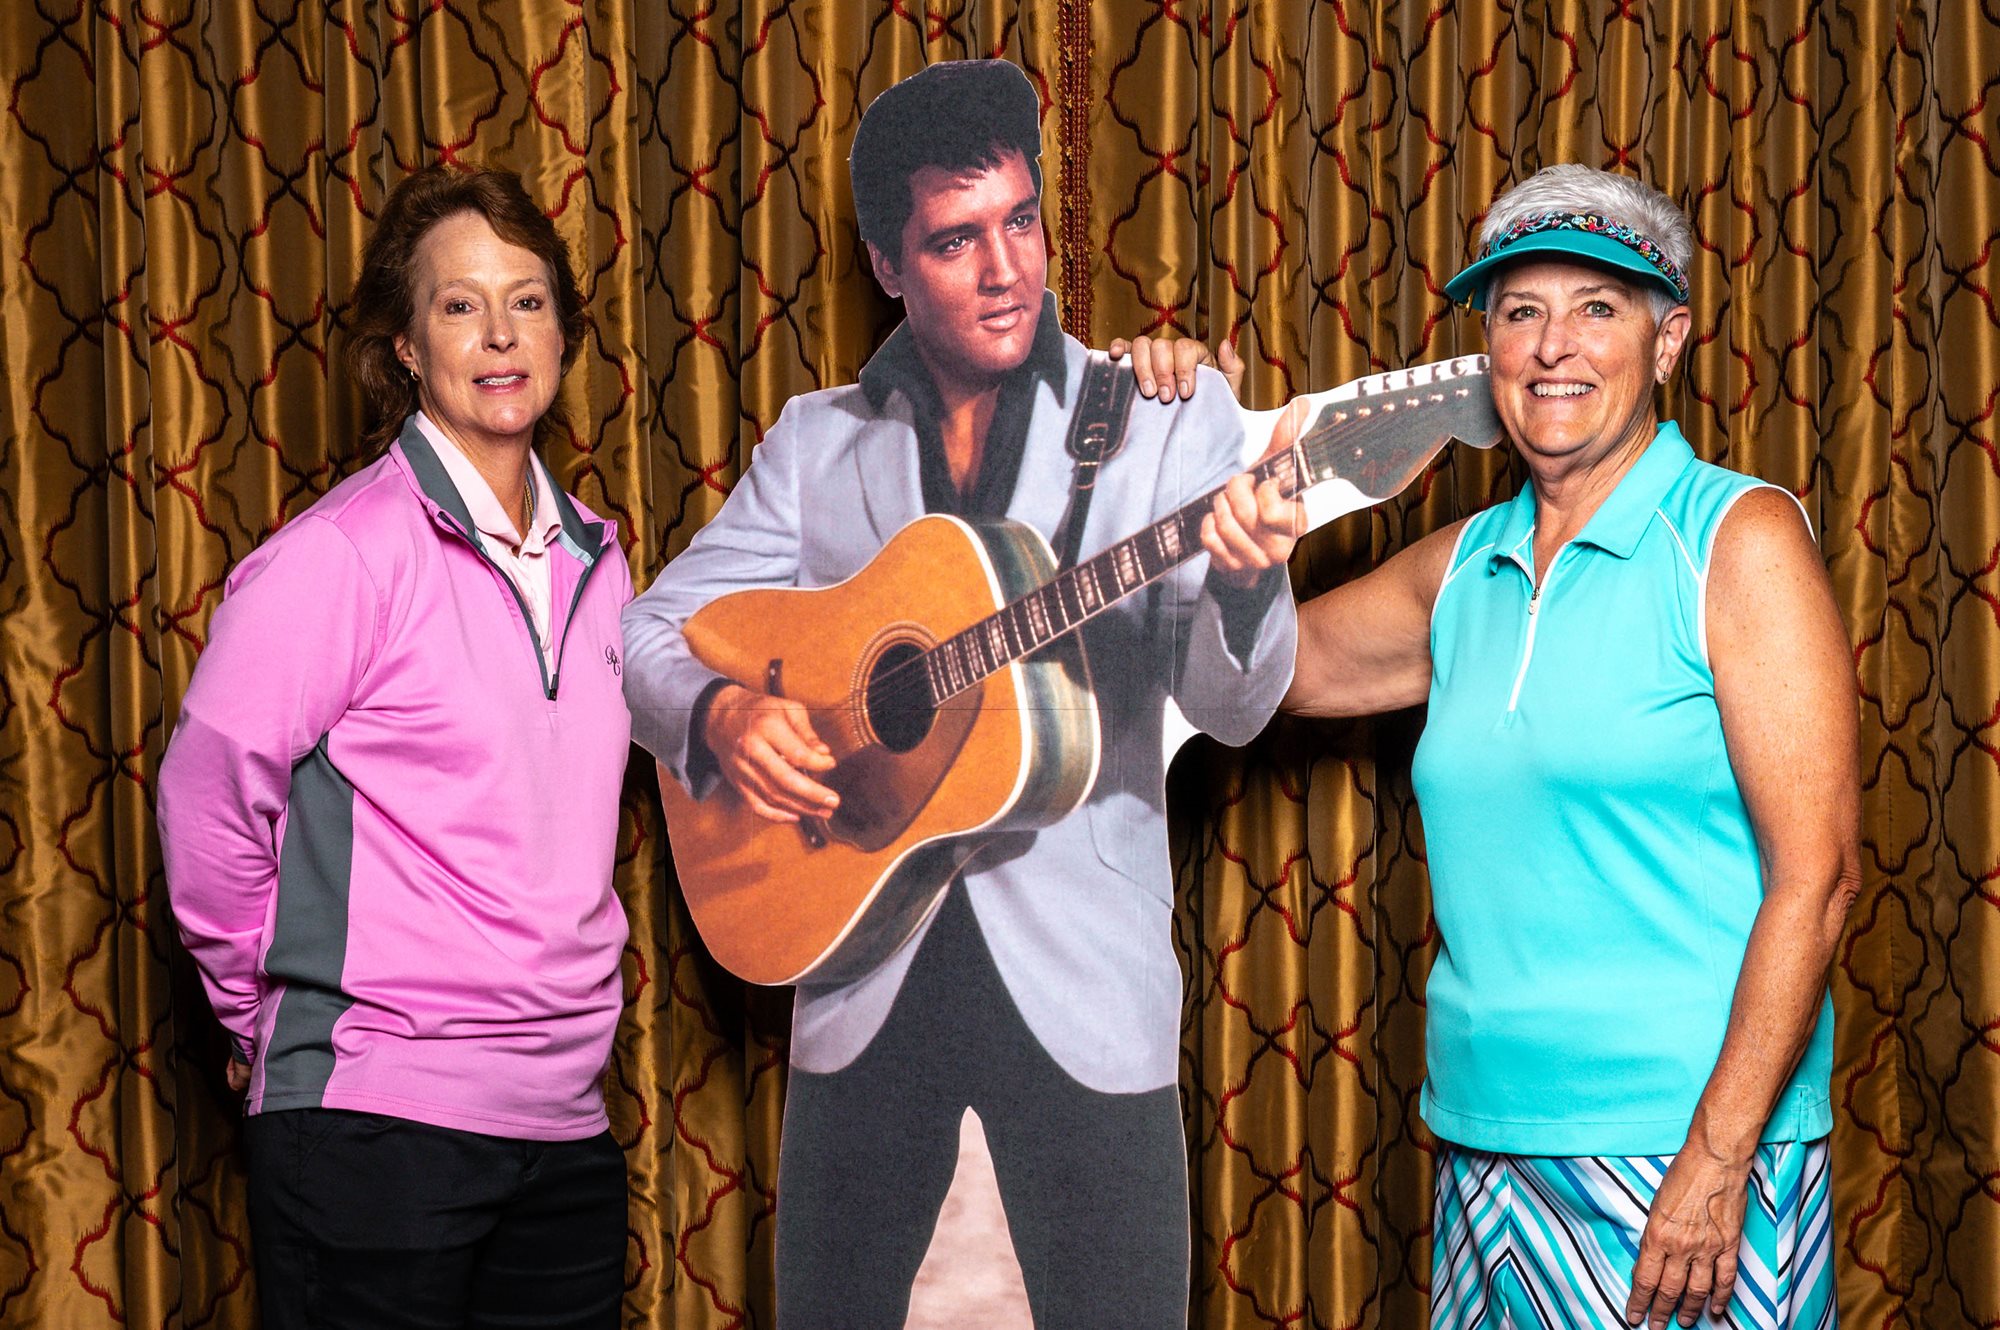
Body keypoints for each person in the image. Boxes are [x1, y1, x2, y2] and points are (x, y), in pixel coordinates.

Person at [621, 59, 1301, 1327]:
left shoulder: (1158, 415)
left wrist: (1250, 584)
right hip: (857, 971)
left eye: (1020, 222)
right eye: (953, 240)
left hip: (1083, 985)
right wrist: (719, 713)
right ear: (887, 263)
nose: (1004, 271)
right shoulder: (816, 443)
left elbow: (1234, 702)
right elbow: (646, 631)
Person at [1153, 164, 1857, 1330]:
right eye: (1519, 310)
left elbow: (1817, 879)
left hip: (1678, 1157)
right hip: (1484, 1147)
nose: (1551, 345)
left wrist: (1716, 1157)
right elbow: (1266, 670)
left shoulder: (1735, 538)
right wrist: (1204, 463)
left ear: (1667, 341)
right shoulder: (1460, 565)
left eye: (1597, 307)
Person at [157, 164, 633, 1330]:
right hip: (376, 1122)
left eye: (526, 300)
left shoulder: (603, 562)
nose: (500, 333)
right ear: (409, 348)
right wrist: (257, 1014)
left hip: (566, 1127)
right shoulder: (341, 555)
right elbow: (206, 797)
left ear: (563, 333)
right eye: (459, 304)